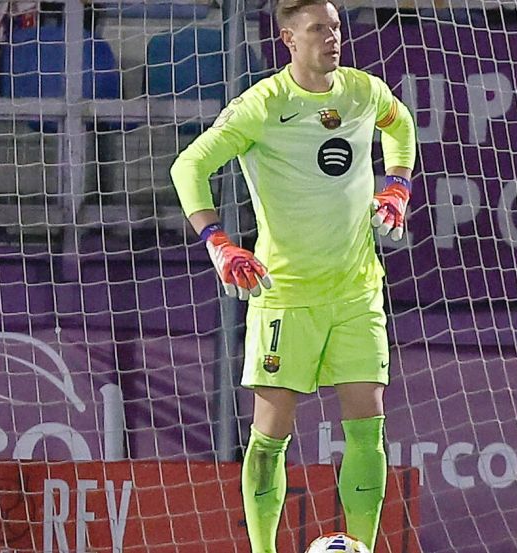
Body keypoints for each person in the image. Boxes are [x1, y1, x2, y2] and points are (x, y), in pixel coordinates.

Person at [169, 1, 417, 552]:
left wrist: (397, 185)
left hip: (357, 291)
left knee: (368, 424)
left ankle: (361, 546)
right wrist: (219, 242)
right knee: (270, 435)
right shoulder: (262, 105)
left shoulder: (362, 91)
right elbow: (188, 166)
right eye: (317, 30)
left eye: (335, 28)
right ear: (288, 39)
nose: (332, 38)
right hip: (284, 295)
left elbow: (401, 126)